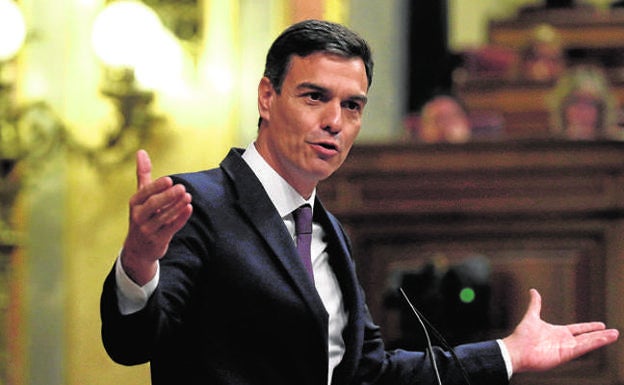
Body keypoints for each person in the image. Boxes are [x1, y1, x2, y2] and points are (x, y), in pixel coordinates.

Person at [100, 19, 619, 385]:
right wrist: (140, 262)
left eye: (352, 106)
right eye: (314, 97)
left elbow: (371, 373)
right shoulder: (197, 204)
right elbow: (131, 345)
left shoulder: (329, 233)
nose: (335, 121)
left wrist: (509, 354)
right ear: (266, 96)